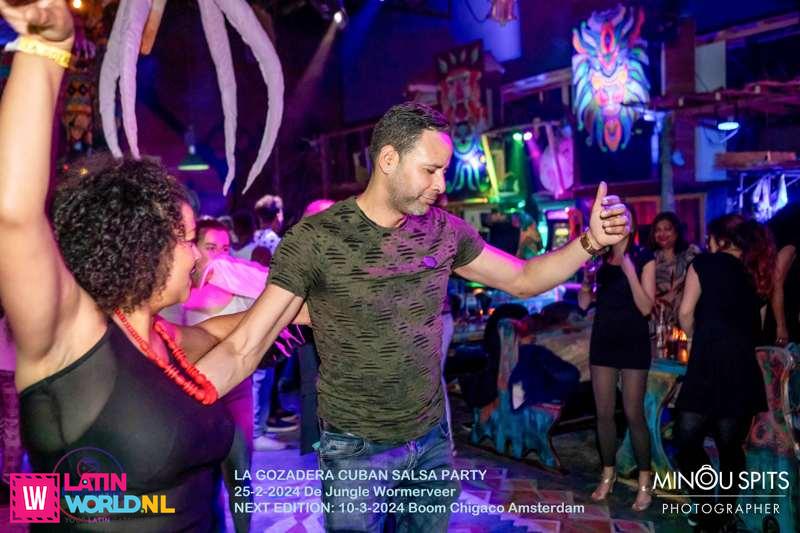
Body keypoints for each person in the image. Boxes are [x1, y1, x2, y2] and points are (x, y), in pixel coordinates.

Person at [203, 102, 632, 532]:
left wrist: (591, 241)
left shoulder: (443, 231)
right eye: (431, 170)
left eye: (444, 171)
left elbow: (523, 278)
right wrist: (172, 398)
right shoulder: (315, 240)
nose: (441, 184)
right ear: (389, 159)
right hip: (355, 451)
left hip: (429, 443)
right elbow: (245, 346)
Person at [0, 3, 303, 529]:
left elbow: (233, 340)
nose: (198, 254)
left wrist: (313, 298)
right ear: (143, 246)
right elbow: (14, 216)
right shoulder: (73, 343)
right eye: (188, 240)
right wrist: (45, 47)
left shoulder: (163, 340)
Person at [676, 215, 775, 531]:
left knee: (686, 441)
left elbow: (685, 313)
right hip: (741, 367)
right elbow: (758, 329)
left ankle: (707, 510)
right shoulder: (756, 272)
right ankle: (724, 514)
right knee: (729, 448)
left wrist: (698, 335)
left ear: (720, 239)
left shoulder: (704, 263)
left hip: (707, 361)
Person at [578, 223, 656, 511]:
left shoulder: (644, 258)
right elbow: (584, 304)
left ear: (629, 226)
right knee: (604, 414)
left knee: (634, 413)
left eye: (619, 221)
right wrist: (586, 282)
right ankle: (607, 475)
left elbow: (646, 307)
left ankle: (645, 482)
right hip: (604, 341)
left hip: (634, 342)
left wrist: (630, 270)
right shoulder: (600, 259)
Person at [648, 212, 700, 355]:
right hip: (658, 324)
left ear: (677, 231)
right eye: (658, 230)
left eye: (667, 229)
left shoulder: (691, 254)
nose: (662, 234)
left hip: (687, 321)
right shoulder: (650, 258)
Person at [763, 204, 800, 346]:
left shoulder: (777, 237)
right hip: (780, 312)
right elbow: (777, 279)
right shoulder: (793, 239)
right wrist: (781, 325)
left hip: (778, 308)